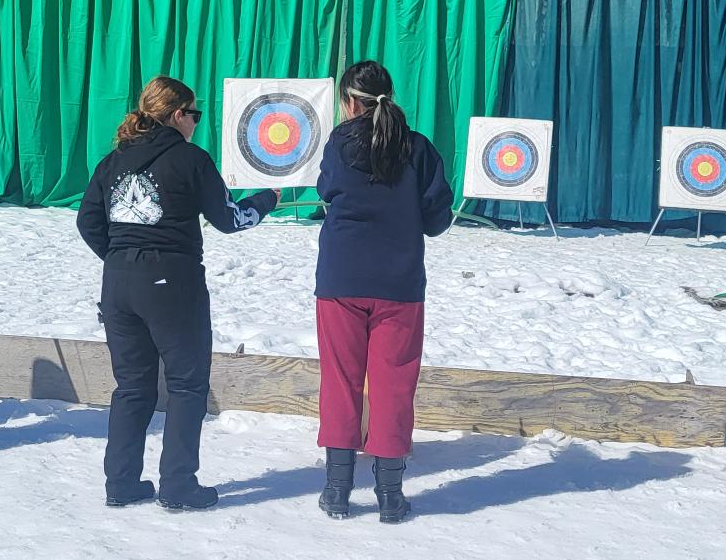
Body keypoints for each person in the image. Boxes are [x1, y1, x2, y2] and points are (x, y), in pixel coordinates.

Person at [77, 76, 278, 511]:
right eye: (194, 115)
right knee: (187, 385)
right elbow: (230, 219)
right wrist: (266, 200)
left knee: (132, 387)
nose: (196, 123)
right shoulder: (190, 159)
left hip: (119, 284)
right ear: (176, 115)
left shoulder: (113, 160)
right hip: (172, 283)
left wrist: (122, 257)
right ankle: (178, 485)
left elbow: (87, 222)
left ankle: (121, 482)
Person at [312, 60, 454, 523]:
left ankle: (337, 490)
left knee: (340, 382)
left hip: (341, 280)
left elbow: (327, 190)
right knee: (394, 385)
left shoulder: (340, 142)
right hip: (399, 284)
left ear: (349, 103)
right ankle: (390, 496)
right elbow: (437, 219)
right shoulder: (417, 147)